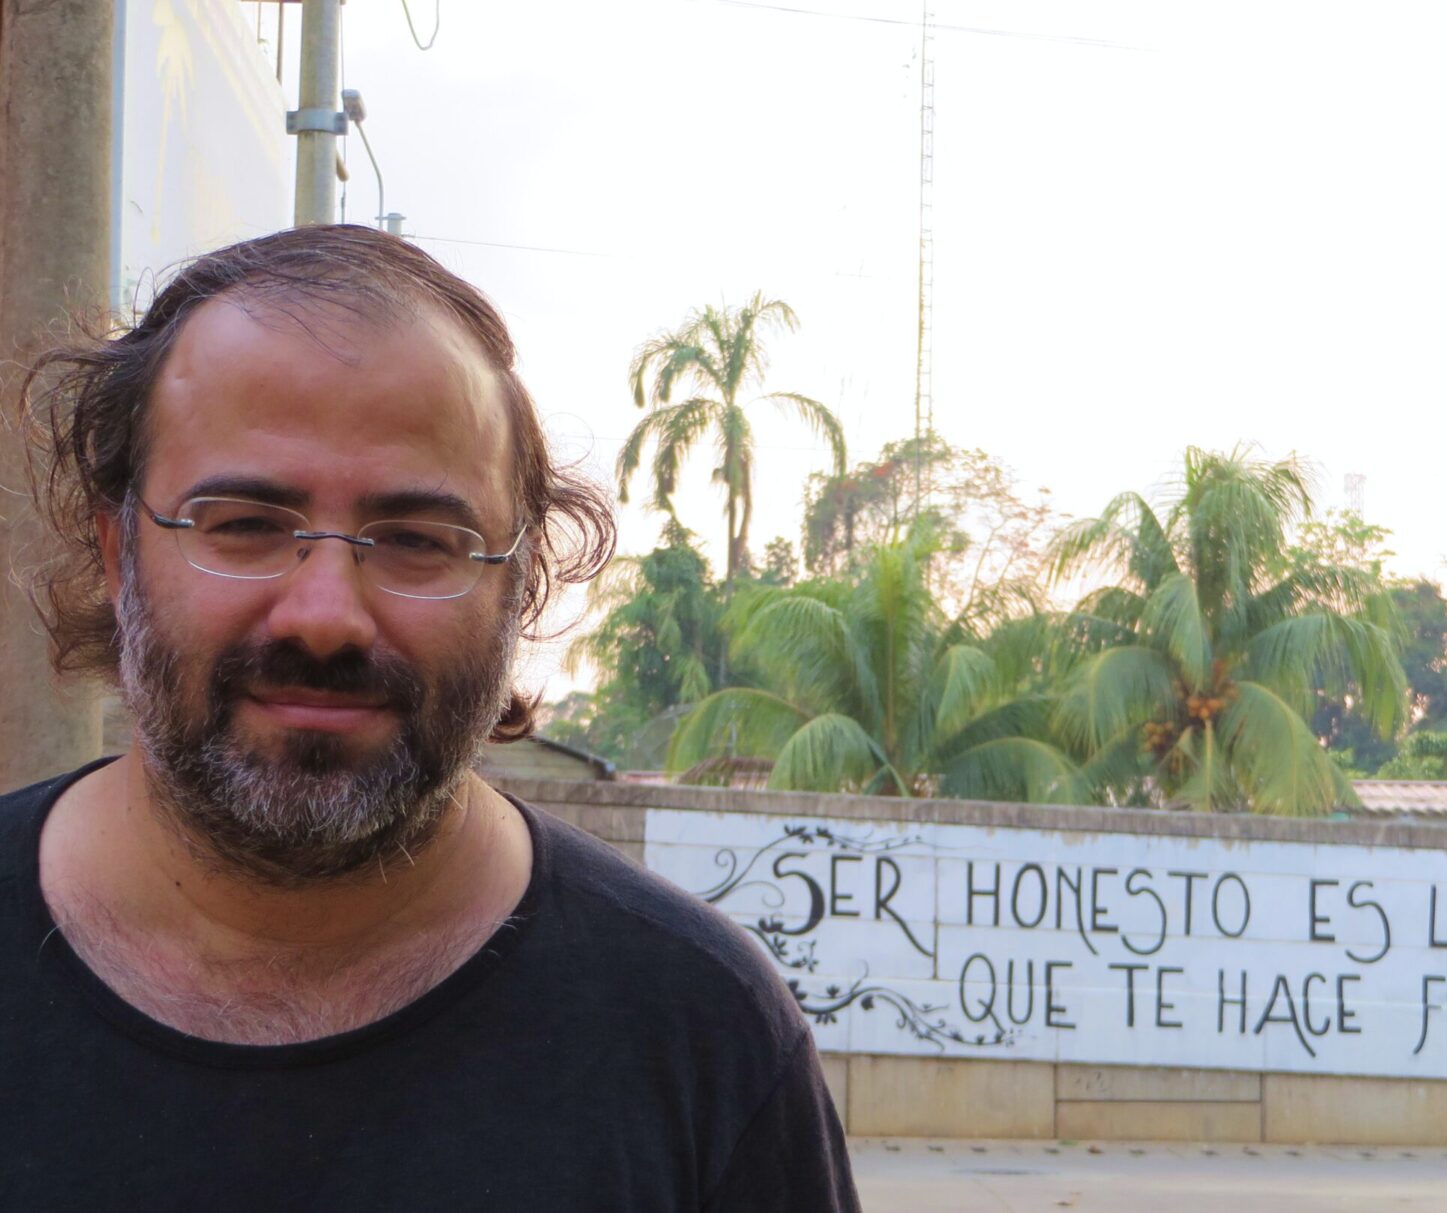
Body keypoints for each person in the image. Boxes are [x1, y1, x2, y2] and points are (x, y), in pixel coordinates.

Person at [0, 225, 860, 1211]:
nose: (324, 614)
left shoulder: (704, 1035)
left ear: (521, 585)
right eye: (241, 524)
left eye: (415, 539)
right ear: (118, 557)